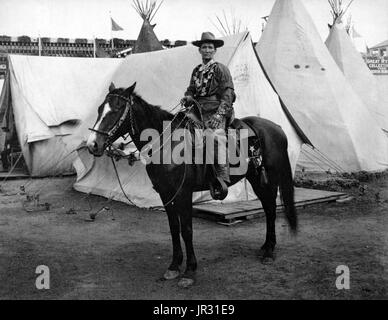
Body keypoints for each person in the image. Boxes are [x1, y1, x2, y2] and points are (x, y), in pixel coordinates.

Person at [181, 32, 236, 199]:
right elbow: (191, 89)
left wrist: (219, 116)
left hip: (217, 109)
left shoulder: (220, 69)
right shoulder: (196, 70)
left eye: (210, 47)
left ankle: (221, 178)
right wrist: (188, 96)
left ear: (214, 50)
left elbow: (228, 93)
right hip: (197, 110)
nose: (207, 50)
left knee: (216, 137)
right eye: (204, 47)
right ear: (199, 50)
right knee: (180, 129)